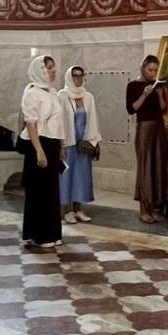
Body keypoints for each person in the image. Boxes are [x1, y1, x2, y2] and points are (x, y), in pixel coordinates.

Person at [19, 55, 65, 248]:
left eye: (53, 67)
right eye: (49, 68)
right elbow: (31, 124)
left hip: (53, 144)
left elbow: (58, 122)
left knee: (52, 190)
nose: (53, 71)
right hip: (38, 143)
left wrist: (61, 146)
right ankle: (40, 234)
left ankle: (53, 233)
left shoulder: (53, 92)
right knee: (39, 190)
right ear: (40, 70)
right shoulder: (32, 93)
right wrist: (39, 150)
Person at [125, 55, 168, 224]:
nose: (153, 73)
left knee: (157, 167)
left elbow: (164, 109)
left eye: (156, 70)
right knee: (145, 168)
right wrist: (144, 94)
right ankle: (143, 209)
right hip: (144, 128)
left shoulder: (158, 86)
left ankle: (154, 208)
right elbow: (131, 109)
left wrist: (159, 94)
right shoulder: (133, 86)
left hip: (159, 127)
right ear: (143, 68)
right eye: (150, 70)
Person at [58, 66, 101, 224]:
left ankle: (78, 208)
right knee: (67, 177)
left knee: (82, 176)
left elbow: (93, 119)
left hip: (83, 143)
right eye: (75, 76)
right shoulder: (62, 96)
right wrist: (60, 145)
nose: (78, 79)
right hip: (69, 143)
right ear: (69, 77)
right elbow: (59, 122)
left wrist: (94, 140)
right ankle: (67, 210)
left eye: (81, 76)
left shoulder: (88, 96)